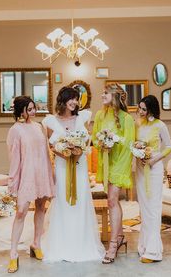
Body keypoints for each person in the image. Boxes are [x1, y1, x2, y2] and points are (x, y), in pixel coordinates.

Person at [41, 87, 105, 262]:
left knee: (80, 202)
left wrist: (76, 152)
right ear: (63, 99)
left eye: (77, 99)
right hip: (62, 168)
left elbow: (86, 143)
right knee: (63, 202)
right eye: (72, 98)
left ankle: (82, 244)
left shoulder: (83, 117)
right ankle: (62, 245)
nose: (75, 102)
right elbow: (51, 147)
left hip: (80, 167)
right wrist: (65, 153)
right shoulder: (50, 121)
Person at [7, 96, 55, 273]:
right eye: (30, 109)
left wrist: (51, 173)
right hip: (26, 175)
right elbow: (14, 159)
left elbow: (46, 152)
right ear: (21, 110)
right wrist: (12, 182)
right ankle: (13, 254)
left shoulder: (38, 127)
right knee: (21, 212)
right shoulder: (15, 130)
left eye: (34, 108)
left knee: (41, 207)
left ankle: (36, 243)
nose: (34, 111)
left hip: (42, 173)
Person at [92, 83, 135, 264]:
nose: (102, 95)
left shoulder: (127, 118)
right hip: (106, 162)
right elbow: (94, 137)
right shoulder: (100, 115)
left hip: (120, 162)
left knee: (111, 200)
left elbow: (129, 144)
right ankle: (120, 237)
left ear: (115, 96)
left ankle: (112, 244)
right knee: (113, 201)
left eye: (106, 93)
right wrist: (101, 142)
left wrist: (114, 141)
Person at [135, 95, 171, 263]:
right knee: (144, 209)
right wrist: (137, 150)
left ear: (151, 109)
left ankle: (153, 252)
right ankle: (143, 246)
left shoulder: (160, 125)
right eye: (139, 108)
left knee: (153, 209)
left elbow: (169, 147)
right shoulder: (138, 124)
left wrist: (153, 159)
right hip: (141, 169)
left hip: (155, 169)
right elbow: (136, 143)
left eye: (144, 109)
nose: (140, 111)